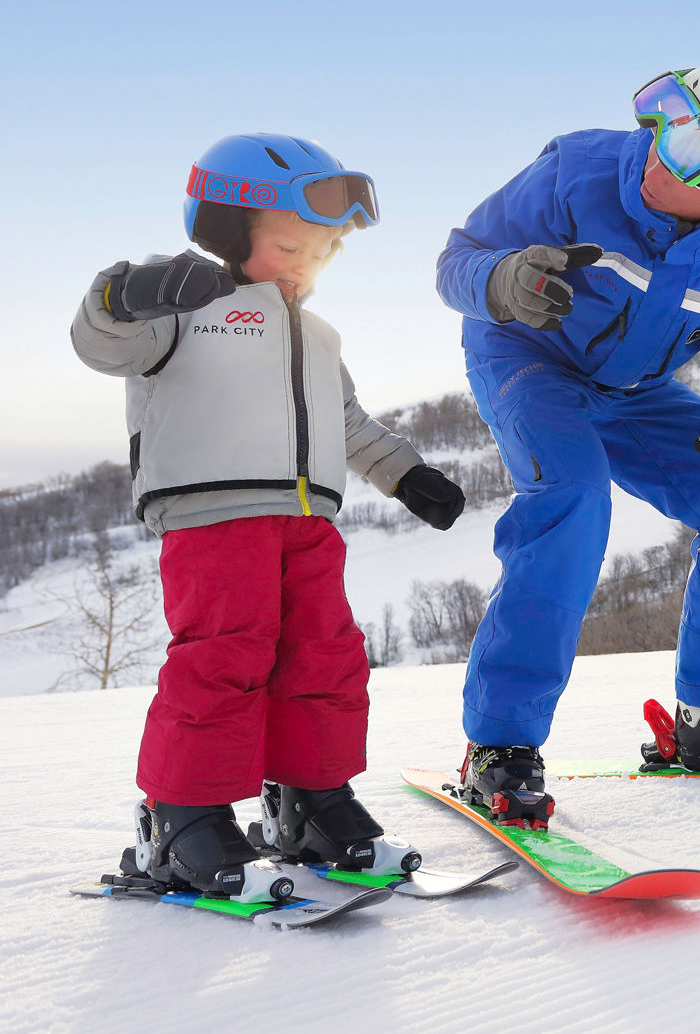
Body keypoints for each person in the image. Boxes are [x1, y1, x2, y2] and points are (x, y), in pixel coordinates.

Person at [436, 54, 700, 828]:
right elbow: (456, 261)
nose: (657, 146)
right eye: (666, 118)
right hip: (527, 358)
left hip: (638, 395)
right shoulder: (578, 169)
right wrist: (502, 279)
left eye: (687, 147)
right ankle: (499, 744)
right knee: (572, 500)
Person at [71, 133, 465, 897]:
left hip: (308, 518)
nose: (305, 261)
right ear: (227, 227)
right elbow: (101, 341)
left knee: (328, 655)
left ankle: (310, 803)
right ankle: (184, 816)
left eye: (319, 250)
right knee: (224, 655)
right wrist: (125, 291)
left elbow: (346, 420)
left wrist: (407, 473)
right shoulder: (182, 304)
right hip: (213, 514)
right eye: (289, 242)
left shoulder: (318, 334)